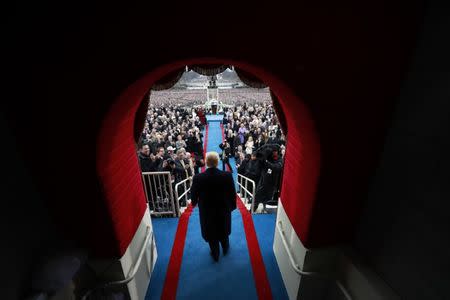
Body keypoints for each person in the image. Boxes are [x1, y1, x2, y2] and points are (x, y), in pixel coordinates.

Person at [190, 152, 237, 262]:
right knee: (223, 230)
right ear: (217, 162)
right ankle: (225, 248)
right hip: (223, 210)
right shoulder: (227, 175)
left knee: (211, 233)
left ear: (206, 162)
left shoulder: (198, 178)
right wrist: (232, 207)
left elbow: (193, 196)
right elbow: (232, 193)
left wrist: (194, 203)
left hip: (207, 212)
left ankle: (215, 254)